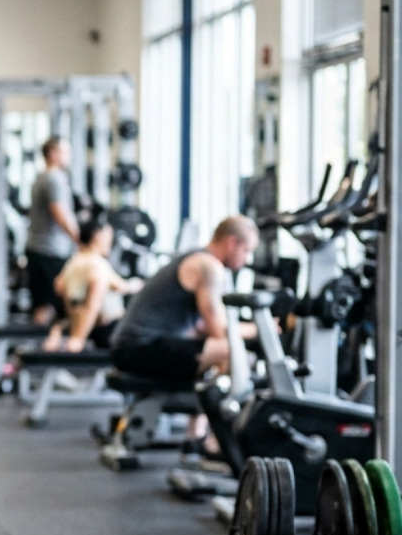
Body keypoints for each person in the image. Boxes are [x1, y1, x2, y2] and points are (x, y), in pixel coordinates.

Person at [109, 215, 259, 382]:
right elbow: (218, 330)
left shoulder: (196, 257)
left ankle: (205, 405)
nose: (246, 260)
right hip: (139, 349)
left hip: (129, 348)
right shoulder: (208, 266)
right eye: (246, 251)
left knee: (224, 350)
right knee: (232, 350)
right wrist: (258, 328)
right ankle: (219, 406)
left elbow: (201, 327)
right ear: (232, 243)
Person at [43, 217, 142, 352]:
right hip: (107, 330)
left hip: (82, 324)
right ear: (97, 236)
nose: (111, 242)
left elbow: (59, 287)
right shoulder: (98, 266)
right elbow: (91, 305)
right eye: (108, 237)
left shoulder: (73, 262)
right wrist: (78, 338)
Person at [24, 136, 78, 326]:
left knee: (46, 304)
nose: (69, 156)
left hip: (43, 249)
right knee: (47, 305)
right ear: (53, 153)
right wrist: (81, 240)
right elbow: (59, 212)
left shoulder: (44, 176)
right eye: (65, 151)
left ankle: (44, 348)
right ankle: (39, 352)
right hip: (49, 251)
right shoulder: (53, 178)